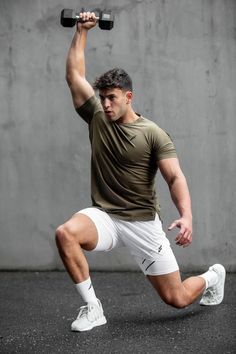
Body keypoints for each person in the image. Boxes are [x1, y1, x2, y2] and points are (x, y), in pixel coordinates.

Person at [56, 12, 226, 332]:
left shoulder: (152, 133)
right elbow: (74, 76)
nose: (105, 105)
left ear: (128, 97)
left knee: (176, 297)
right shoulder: (97, 118)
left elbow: (175, 177)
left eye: (112, 99)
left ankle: (213, 276)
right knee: (66, 233)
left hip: (143, 223)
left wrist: (186, 216)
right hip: (106, 216)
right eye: (102, 98)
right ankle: (93, 308)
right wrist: (81, 31)